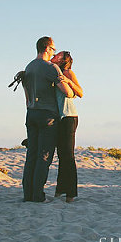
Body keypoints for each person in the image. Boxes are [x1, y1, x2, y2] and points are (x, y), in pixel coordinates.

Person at [21, 36, 74, 202]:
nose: (53, 53)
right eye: (53, 49)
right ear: (47, 48)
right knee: (44, 156)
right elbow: (66, 92)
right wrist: (71, 90)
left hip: (31, 113)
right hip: (47, 115)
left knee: (31, 155)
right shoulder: (50, 68)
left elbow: (27, 95)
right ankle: (38, 194)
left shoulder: (28, 67)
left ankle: (27, 194)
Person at [51, 51, 83, 202]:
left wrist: (69, 82)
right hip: (60, 118)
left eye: (58, 54)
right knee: (62, 155)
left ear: (64, 60)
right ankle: (60, 190)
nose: (55, 55)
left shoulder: (67, 72)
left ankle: (71, 193)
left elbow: (80, 92)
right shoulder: (54, 72)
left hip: (69, 116)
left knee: (68, 156)